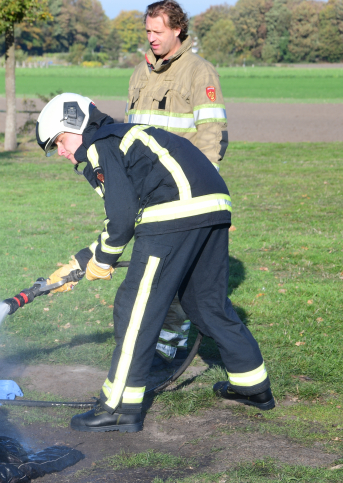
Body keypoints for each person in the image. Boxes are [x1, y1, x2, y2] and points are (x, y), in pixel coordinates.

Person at [36, 93, 273, 433]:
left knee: (135, 308)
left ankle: (118, 407)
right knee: (205, 303)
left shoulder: (100, 143)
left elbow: (121, 219)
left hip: (173, 212)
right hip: (212, 206)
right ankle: (252, 383)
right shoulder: (123, 137)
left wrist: (103, 260)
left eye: (59, 140)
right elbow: (124, 218)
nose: (60, 151)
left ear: (75, 124)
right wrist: (82, 261)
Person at [126, 0, 229, 363]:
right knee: (150, 268)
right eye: (148, 31)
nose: (151, 38)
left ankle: (168, 344)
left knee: (173, 271)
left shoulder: (200, 72)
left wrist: (200, 185)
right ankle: (152, 340)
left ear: (177, 30)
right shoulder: (139, 74)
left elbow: (211, 132)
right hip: (147, 190)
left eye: (157, 31)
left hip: (184, 191)